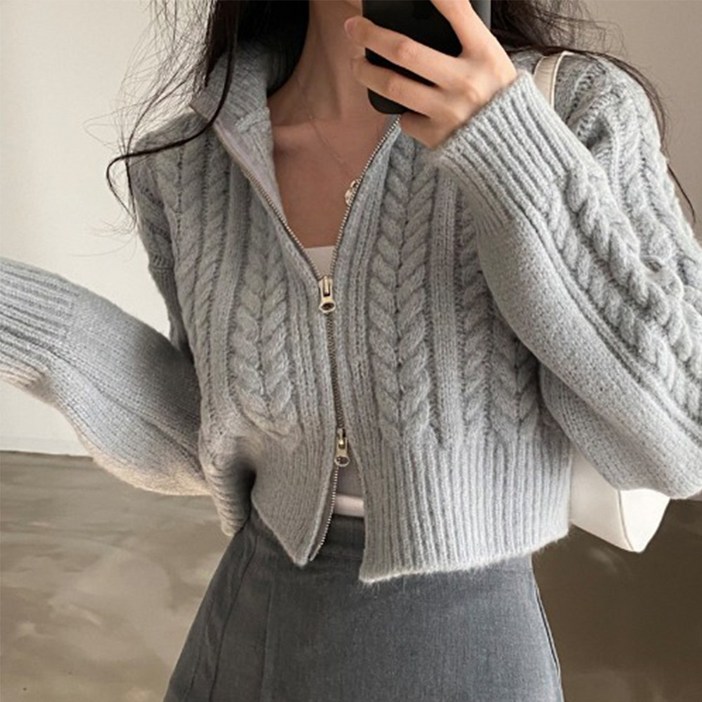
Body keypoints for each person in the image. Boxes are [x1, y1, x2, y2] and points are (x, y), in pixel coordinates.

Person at [2, 0, 701, 700]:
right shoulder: (192, 161)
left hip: (466, 654)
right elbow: (211, 436)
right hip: (243, 638)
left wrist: (508, 147)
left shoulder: (575, 110)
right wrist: (30, 322)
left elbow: (682, 437)